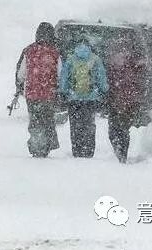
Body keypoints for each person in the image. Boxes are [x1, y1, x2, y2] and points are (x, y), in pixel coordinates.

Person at [15, 22, 62, 157]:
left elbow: (21, 73)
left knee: (35, 121)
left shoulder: (29, 50)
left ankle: (36, 146)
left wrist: (19, 87)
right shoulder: (55, 52)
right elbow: (60, 74)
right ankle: (46, 145)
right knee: (48, 120)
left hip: (32, 94)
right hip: (49, 93)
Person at [58, 38, 107, 158]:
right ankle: (88, 150)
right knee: (89, 124)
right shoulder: (95, 59)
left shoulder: (71, 59)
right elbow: (101, 79)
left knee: (75, 125)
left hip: (74, 99)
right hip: (90, 99)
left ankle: (77, 149)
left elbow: (64, 78)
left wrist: (64, 92)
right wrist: (103, 91)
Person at [104, 33, 148, 163]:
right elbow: (142, 82)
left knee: (114, 129)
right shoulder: (138, 62)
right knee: (124, 128)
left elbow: (109, 81)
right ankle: (122, 153)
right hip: (131, 101)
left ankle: (119, 151)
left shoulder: (114, 61)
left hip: (116, 100)